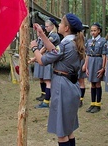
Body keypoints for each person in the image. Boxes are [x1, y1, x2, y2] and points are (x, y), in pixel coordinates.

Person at [30, 13, 84, 146]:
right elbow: (55, 50)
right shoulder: (73, 42)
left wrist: (34, 48)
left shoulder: (65, 45)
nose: (58, 25)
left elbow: (42, 60)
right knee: (69, 129)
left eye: (61, 23)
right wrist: (42, 34)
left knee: (61, 132)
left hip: (62, 86)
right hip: (72, 85)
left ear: (66, 28)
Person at [35, 18, 60, 108]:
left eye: (47, 26)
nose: (46, 28)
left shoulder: (53, 35)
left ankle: (46, 101)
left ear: (52, 26)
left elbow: (45, 48)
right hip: (48, 59)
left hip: (50, 61)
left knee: (48, 81)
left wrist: (35, 56)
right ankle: (46, 99)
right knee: (46, 81)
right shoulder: (50, 35)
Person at [85, 23, 106, 113]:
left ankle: (98, 104)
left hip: (98, 61)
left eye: (95, 30)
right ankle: (92, 103)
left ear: (99, 31)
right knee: (92, 84)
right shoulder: (89, 41)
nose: (93, 32)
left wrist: (103, 67)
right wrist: (86, 67)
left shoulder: (103, 41)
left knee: (97, 83)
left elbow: (104, 55)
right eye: (92, 31)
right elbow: (87, 54)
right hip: (91, 61)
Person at [30, 25, 46, 101]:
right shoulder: (38, 40)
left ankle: (46, 94)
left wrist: (33, 59)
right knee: (40, 78)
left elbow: (42, 50)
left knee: (44, 77)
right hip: (37, 60)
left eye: (39, 31)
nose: (37, 33)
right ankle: (42, 93)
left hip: (42, 60)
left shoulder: (44, 40)